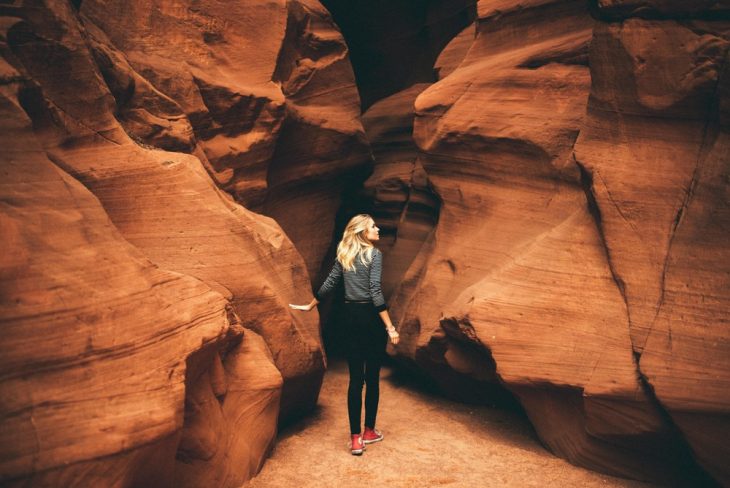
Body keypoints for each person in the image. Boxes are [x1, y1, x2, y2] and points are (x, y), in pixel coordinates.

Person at [289, 214, 400, 456]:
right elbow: (375, 292)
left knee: (355, 380)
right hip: (370, 318)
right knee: (372, 378)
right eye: (373, 226)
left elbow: (329, 283)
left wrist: (311, 304)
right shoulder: (374, 255)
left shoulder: (345, 255)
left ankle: (356, 439)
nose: (377, 228)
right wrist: (390, 327)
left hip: (350, 318)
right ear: (362, 231)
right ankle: (369, 431)